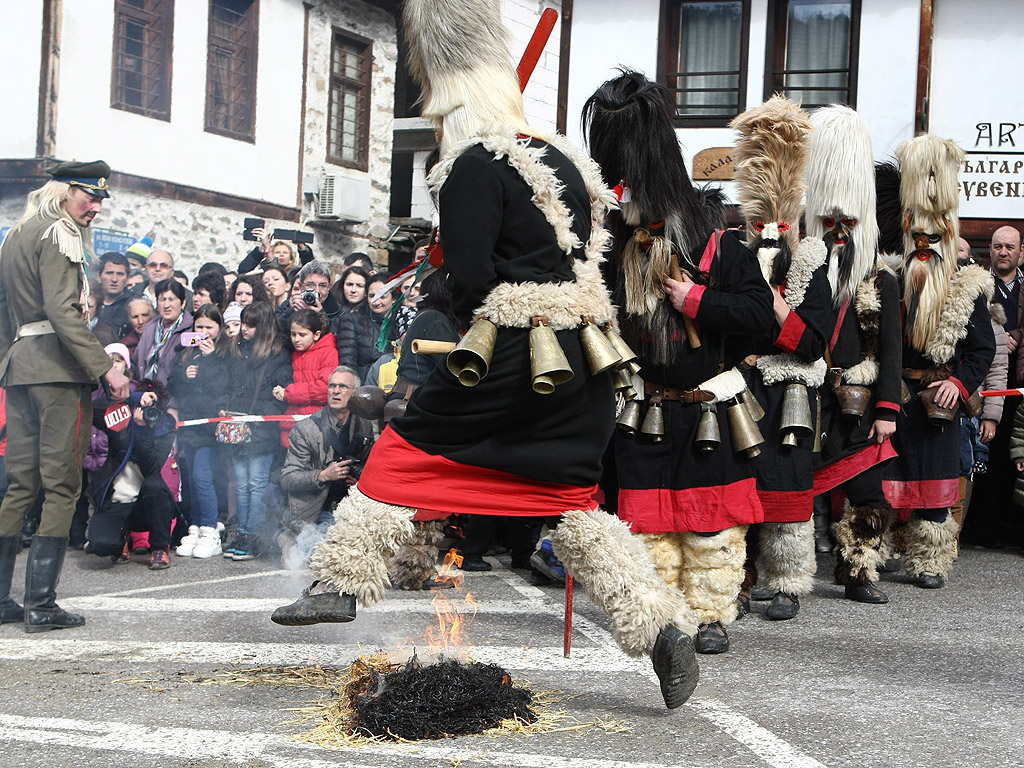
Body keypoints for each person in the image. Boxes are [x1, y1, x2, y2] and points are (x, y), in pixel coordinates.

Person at [272, 3, 701, 711]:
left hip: (514, 345)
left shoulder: (473, 162)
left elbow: (472, 280)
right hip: (588, 357)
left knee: (402, 453)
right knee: (573, 500)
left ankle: (340, 585)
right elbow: (576, 255)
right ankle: (661, 630)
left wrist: (443, 270)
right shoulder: (567, 160)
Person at [584, 70, 774, 654]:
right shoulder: (609, 235)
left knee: (710, 522)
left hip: (710, 405)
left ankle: (712, 613)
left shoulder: (718, 233)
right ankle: (665, 619)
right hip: (644, 405)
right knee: (649, 524)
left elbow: (763, 321)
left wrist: (697, 300)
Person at [0, 159, 130, 631]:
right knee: (61, 484)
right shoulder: (61, 231)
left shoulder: (16, 233)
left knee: (20, 484)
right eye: (88, 196)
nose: (94, 206)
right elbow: (62, 310)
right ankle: (42, 605)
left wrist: (8, 359)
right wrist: (104, 369)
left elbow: (1, 308)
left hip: (20, 368)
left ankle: (2, 601)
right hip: (57, 371)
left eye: (99, 199)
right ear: (63, 191)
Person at [728, 97, 831, 622]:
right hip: (742, 388)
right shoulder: (731, 252)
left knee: (789, 488)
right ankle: (738, 583)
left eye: (779, 221)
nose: (771, 228)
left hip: (790, 390)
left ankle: (788, 581)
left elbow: (813, 342)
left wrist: (771, 302)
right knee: (738, 487)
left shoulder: (813, 261)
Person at [880, 133, 996, 589]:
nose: (924, 245)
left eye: (933, 237)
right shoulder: (888, 278)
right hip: (897, 396)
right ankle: (880, 547)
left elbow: (982, 350)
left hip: (940, 403)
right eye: (917, 237)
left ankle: (930, 559)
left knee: (936, 485)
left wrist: (961, 385)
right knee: (886, 478)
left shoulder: (968, 285)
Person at [804, 105, 902, 604]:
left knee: (867, 494)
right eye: (831, 220)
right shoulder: (802, 265)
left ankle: (860, 572)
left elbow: (891, 349)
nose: (839, 228)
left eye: (847, 221)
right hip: (808, 393)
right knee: (795, 489)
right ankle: (789, 579)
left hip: (860, 402)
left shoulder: (881, 276)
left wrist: (887, 408)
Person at [86, 355, 178, 571]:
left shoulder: (165, 425)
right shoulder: (119, 417)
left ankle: (159, 547)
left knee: (154, 484)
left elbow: (152, 467)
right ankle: (120, 541)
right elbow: (94, 408)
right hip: (119, 499)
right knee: (100, 545)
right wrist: (134, 398)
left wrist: (143, 430)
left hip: (147, 504)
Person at [278, 366, 373, 560]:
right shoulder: (306, 429)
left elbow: (370, 468)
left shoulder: (364, 425)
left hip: (349, 507)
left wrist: (359, 482)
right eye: (332, 386)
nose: (336, 391)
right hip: (315, 510)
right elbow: (287, 478)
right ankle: (287, 538)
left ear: (354, 393)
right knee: (319, 557)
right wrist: (322, 476)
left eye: (343, 387)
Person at [221, 302, 292, 561]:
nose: (245, 330)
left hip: (261, 427)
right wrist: (225, 409)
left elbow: (278, 395)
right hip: (237, 424)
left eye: (251, 325)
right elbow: (229, 386)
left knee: (256, 482)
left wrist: (257, 416)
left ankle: (254, 535)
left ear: (262, 327)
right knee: (241, 484)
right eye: (243, 323)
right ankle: (241, 532)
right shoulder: (237, 351)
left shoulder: (278, 355)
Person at [168, 303, 231, 559]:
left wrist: (211, 359)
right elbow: (172, 384)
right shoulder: (184, 351)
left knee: (204, 476)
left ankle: (210, 528)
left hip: (211, 426)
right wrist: (186, 375)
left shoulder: (225, 352)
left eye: (209, 327)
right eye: (199, 327)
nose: (204, 332)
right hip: (189, 423)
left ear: (219, 328)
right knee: (192, 479)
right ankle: (195, 527)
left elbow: (224, 386)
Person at [273, 309, 338, 447]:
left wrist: (289, 393)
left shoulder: (328, 353)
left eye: (302, 335)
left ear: (316, 335)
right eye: (293, 334)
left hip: (317, 425)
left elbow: (325, 389)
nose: (296, 339)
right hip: (293, 425)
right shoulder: (294, 354)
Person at [134, 278, 193, 394]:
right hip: (145, 397)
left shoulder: (191, 329)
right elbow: (136, 363)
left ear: (183, 302)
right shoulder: (149, 329)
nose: (166, 305)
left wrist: (174, 405)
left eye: (171, 299)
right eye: (162, 299)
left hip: (172, 400)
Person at [336, 271, 387, 380]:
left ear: (394, 298)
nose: (376, 301)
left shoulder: (401, 321)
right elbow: (348, 360)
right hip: (364, 383)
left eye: (382, 296)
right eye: (372, 296)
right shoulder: (353, 320)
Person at [277, 261, 341, 333]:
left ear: (329, 287)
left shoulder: (339, 312)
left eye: (322, 285)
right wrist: (291, 310)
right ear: (300, 285)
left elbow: (334, 338)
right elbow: (274, 332)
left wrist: (321, 315)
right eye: (310, 285)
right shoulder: (287, 306)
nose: (317, 291)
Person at [238, 227, 313, 275]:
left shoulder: (295, 274)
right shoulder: (263, 273)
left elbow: (311, 269)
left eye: (285, 252)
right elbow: (243, 270)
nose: (281, 255)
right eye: (277, 252)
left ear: (291, 259)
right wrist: (263, 246)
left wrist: (301, 245)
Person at [95, 252, 133, 339]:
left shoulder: (132, 306)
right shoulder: (87, 302)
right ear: (99, 276)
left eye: (120, 274)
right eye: (109, 273)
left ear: (127, 279)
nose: (114, 279)